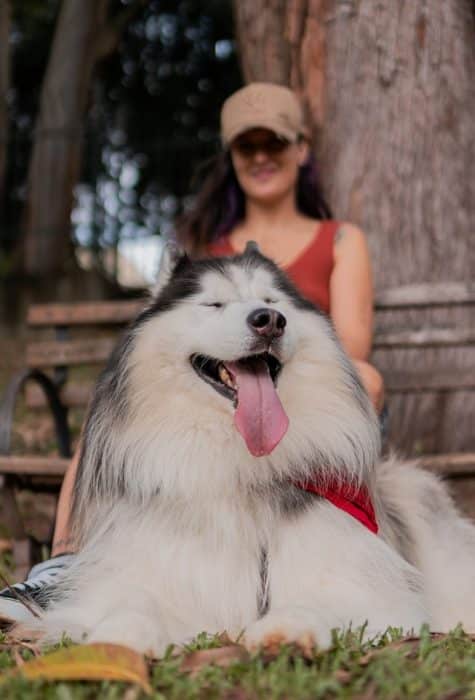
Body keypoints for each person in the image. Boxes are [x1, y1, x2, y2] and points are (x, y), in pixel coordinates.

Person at [0, 82, 384, 619]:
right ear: (231, 157)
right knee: (116, 396)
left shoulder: (340, 240)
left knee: (363, 374)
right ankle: (64, 561)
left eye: (274, 143)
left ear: (301, 149)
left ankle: (317, 535)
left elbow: (351, 345)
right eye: (247, 147)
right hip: (219, 406)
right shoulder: (209, 247)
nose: (261, 158)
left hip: (301, 397)